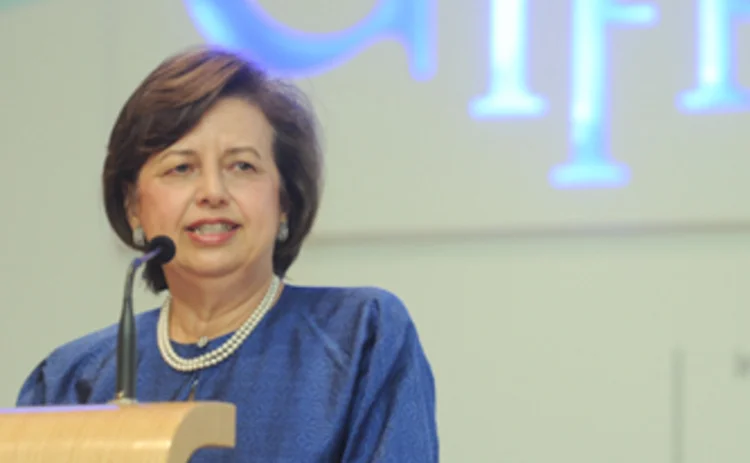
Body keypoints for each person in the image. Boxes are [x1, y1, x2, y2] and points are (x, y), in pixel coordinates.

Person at [15, 46, 439, 462]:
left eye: (242, 167)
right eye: (181, 168)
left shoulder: (362, 336)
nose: (213, 193)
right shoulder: (72, 381)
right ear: (133, 206)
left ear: (284, 200)